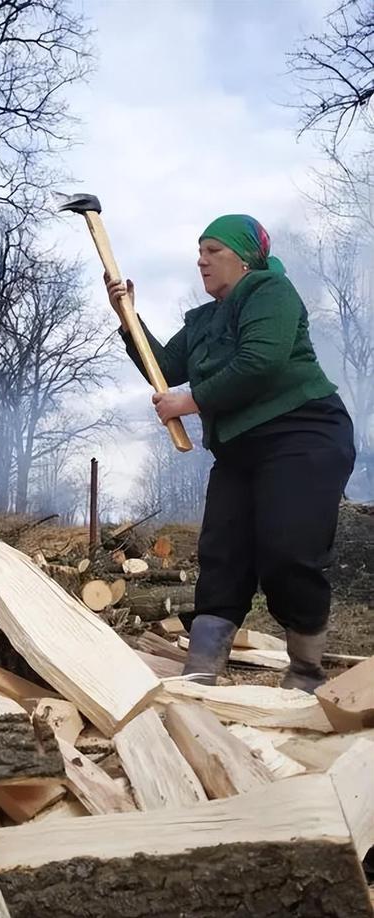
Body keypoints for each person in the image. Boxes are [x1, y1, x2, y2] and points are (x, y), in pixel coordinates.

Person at [106, 214, 355, 693]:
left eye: (213, 251)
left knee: (288, 551)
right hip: (240, 451)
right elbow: (163, 367)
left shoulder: (269, 292)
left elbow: (258, 362)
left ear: (245, 258)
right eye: (199, 251)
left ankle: (305, 671)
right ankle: (202, 669)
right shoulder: (203, 321)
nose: (201, 261)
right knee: (222, 554)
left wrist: (190, 402)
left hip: (302, 434)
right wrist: (127, 317)